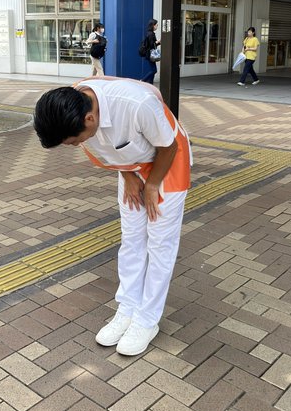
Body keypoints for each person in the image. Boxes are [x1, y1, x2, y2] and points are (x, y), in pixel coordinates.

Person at [33, 77, 192, 356]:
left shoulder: (137, 104)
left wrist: (152, 185)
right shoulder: (71, 105)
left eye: (75, 141)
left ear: (90, 118)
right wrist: (129, 176)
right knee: (132, 239)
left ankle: (147, 320)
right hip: (131, 164)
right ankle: (128, 308)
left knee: (159, 243)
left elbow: (169, 147)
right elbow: (110, 148)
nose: (76, 146)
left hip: (167, 162)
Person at [141, 19, 159, 85]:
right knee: (154, 70)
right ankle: (143, 80)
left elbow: (152, 44)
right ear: (153, 25)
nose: (157, 26)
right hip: (150, 54)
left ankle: (150, 84)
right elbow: (152, 45)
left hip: (150, 54)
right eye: (156, 25)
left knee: (153, 70)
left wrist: (158, 42)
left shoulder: (150, 33)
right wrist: (157, 42)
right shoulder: (151, 34)